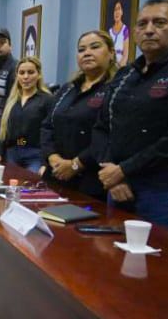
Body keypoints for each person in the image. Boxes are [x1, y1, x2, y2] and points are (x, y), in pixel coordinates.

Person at [92, 0, 168, 236]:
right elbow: (101, 126)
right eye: (142, 24)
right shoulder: (125, 74)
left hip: (164, 185)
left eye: (159, 23)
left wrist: (124, 170)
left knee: (160, 254)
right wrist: (113, 173)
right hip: (117, 184)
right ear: (134, 32)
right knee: (114, 252)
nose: (150, 30)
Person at [41, 30, 117, 200]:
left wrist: (76, 164)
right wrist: (52, 157)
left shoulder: (116, 89)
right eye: (81, 50)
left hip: (91, 179)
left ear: (111, 53)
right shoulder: (67, 89)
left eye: (95, 47)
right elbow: (47, 126)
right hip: (55, 173)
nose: (87, 53)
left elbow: (109, 135)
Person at [0, 56, 53, 172]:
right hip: (11, 152)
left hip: (35, 154)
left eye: (30, 72)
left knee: (29, 183)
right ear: (17, 76)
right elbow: (3, 130)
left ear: (39, 75)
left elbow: (50, 134)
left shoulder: (47, 100)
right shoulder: (11, 100)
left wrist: (45, 162)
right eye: (21, 73)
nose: (26, 77)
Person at [109, 1, 130, 66]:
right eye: (115, 10)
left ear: (122, 12)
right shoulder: (110, 31)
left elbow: (125, 54)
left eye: (119, 9)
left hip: (121, 64)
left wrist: (120, 67)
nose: (117, 12)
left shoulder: (125, 29)